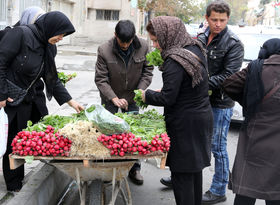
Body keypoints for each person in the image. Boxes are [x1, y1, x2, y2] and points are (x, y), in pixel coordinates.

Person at [0, 11, 84, 192]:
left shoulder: (49, 46)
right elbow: (0, 62)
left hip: (29, 98)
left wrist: (71, 101)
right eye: (60, 33)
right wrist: (1, 94)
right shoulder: (20, 34)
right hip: (10, 98)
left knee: (28, 139)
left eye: (64, 35)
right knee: (11, 143)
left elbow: (51, 78)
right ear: (50, 27)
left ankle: (23, 179)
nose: (62, 38)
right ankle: (14, 186)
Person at [142, 16, 213, 205]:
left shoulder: (175, 59)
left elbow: (168, 98)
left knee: (182, 177)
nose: (156, 45)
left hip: (185, 124)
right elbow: (187, 86)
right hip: (201, 117)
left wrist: (145, 95)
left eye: (157, 40)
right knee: (194, 173)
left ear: (168, 34)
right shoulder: (195, 47)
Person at [94, 20, 154, 185]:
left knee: (132, 133)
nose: (126, 45)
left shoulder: (143, 46)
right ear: (115, 36)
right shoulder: (104, 50)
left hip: (133, 96)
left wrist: (138, 92)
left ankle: (134, 168)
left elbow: (148, 72)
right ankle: (108, 168)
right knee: (108, 132)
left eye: (128, 41)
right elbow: (101, 79)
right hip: (110, 96)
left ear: (134, 37)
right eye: (122, 42)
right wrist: (113, 98)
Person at [196, 1, 244, 204]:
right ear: (207, 18)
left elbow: (228, 76)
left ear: (227, 19)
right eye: (214, 19)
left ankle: (218, 190)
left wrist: (199, 83)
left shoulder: (234, 43)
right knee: (193, 140)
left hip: (220, 103)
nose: (218, 24)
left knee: (218, 147)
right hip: (198, 99)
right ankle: (184, 177)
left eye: (222, 20)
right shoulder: (200, 37)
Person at [222, 38, 280, 205]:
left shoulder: (257, 67)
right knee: (276, 191)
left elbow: (229, 84)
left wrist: (250, 101)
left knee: (247, 187)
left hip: (255, 134)